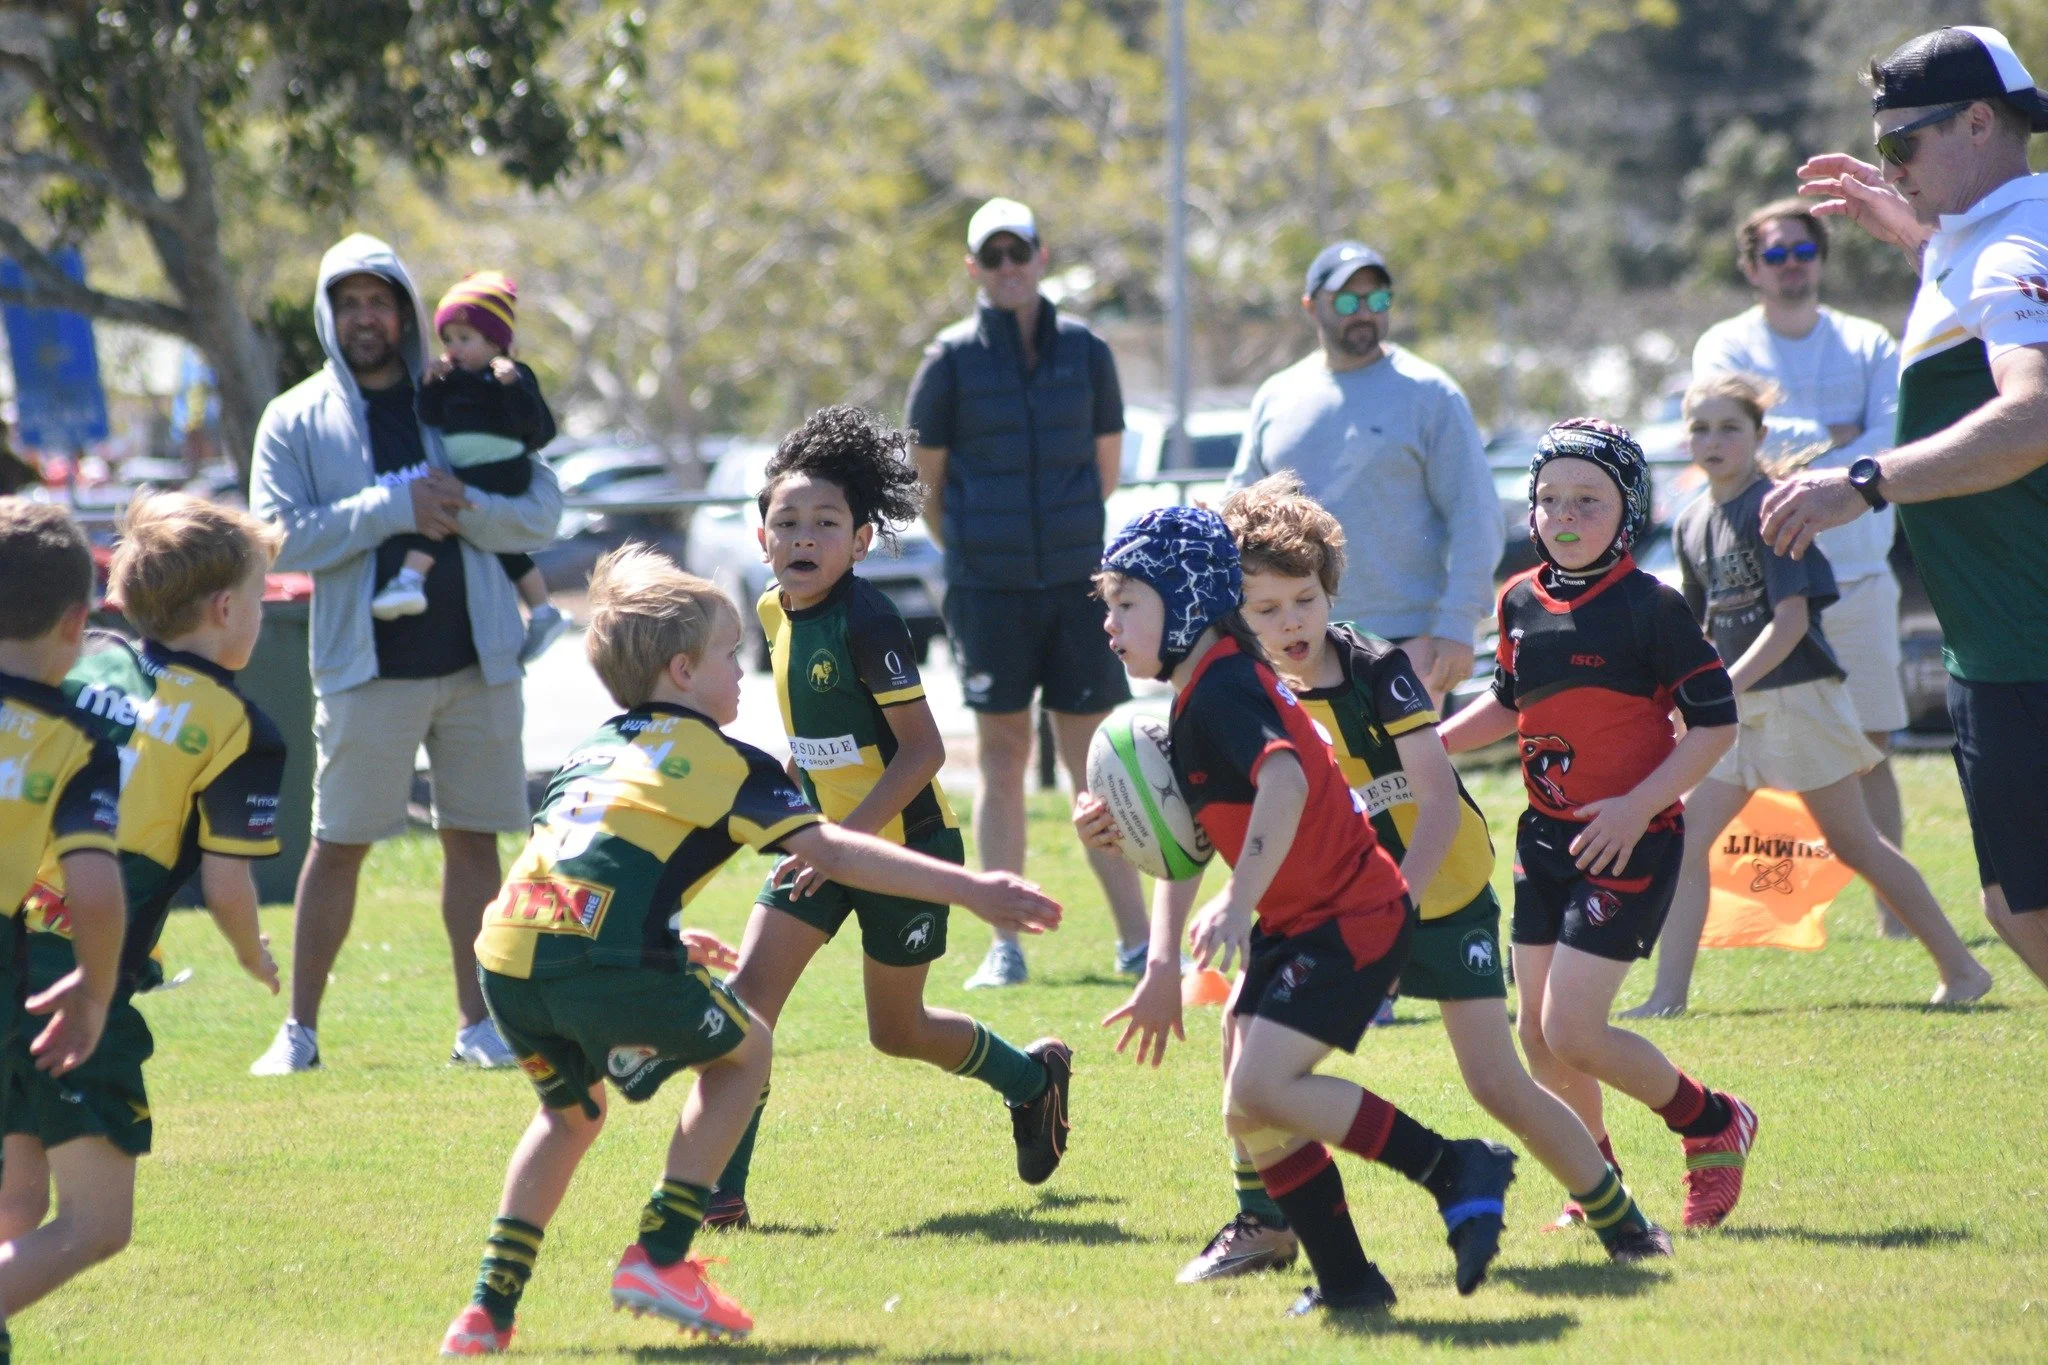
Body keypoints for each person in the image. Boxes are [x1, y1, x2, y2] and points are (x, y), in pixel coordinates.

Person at [437, 546, 1060, 1354]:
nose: (744, 671)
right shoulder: (727, 762)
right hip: (601, 958)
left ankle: (486, 1310)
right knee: (744, 1053)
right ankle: (662, 1255)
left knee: (569, 1116)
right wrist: (971, 889)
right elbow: (832, 850)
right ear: (684, 669)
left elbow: (584, 854)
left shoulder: (590, 750)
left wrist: (652, 932)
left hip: (510, 957)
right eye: (733, 655)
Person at [1153, 474, 1668, 1287]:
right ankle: (1265, 1221)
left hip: (1441, 892)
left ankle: (1622, 1221)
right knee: (1240, 1043)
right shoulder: (1238, 693)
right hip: (1324, 907)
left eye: (1305, 600)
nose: (1290, 623)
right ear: (1233, 615)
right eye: (1266, 609)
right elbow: (1218, 819)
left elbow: (1433, 798)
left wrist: (1397, 903)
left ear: (1331, 593)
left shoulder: (1375, 669)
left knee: (1497, 1082)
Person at [1076, 506, 1518, 1318]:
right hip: (1300, 921)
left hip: (1348, 915)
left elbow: (1281, 781)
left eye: (1125, 602)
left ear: (1183, 597)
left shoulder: (1222, 691)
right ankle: (1351, 1280)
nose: (1109, 624)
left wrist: (1237, 902)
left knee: (1264, 1082)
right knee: (1248, 1105)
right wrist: (1113, 825)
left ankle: (1455, 1166)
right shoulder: (1199, 694)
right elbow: (1202, 829)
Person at [697, 407, 1073, 1232]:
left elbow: (924, 752)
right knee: (745, 1001)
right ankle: (721, 1191)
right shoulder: (770, 611)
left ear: (861, 540)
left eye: (825, 523)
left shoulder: (868, 622)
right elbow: (814, 734)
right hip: (827, 842)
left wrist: (846, 843)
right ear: (761, 538)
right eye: (786, 522)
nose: (803, 536)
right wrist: (796, 820)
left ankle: (1033, 1080)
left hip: (903, 845)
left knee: (896, 1031)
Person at [1765, 25, 2048, 992]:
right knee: (2016, 906)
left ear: (1979, 121)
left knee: (2025, 907)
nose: (1891, 163)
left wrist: (1864, 480)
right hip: (2001, 646)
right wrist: (1917, 232)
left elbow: (2034, 413)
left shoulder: (2014, 243)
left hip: (2035, 645)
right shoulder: (1977, 242)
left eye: (1902, 144)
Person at [249, 233, 564, 1075]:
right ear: (328, 314)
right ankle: (299, 1031)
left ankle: (479, 1025)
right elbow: (276, 539)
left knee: (475, 840)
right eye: (347, 302)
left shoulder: (457, 388)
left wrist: (454, 511)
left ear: (405, 312)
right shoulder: (293, 417)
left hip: (479, 661)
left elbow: (538, 513)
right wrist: (394, 506)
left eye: (378, 300)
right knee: (339, 840)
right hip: (365, 668)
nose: (364, 317)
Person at [1439, 420, 1760, 1232]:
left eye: (1588, 499)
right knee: (1539, 1040)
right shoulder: (1518, 600)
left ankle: (1712, 1120)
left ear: (1629, 511)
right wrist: (1432, 743)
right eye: (1549, 499)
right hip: (1544, 841)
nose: (1564, 514)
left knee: (1573, 1029)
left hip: (1631, 837)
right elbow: (1511, 704)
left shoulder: (1653, 608)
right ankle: (1596, 1176)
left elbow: (1717, 727)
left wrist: (1638, 804)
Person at [0, 494, 288, 1343]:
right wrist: (251, 953)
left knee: (18, 1192)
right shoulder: (239, 726)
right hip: (77, 975)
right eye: (264, 597)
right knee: (98, 1223)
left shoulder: (82, 666)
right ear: (227, 608)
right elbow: (230, 889)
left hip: (12, 946)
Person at [1623, 377, 1991, 1017]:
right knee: (1683, 840)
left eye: (1730, 428)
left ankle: (1962, 970)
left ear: (1759, 437)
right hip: (1736, 711)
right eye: (1701, 429)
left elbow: (1791, 622)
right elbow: (1700, 624)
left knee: (1856, 844)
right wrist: (1688, 694)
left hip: (1798, 697)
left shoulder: (1774, 505)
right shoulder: (1691, 521)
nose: (1714, 441)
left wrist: (1719, 688)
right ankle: (1667, 997)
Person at [906, 196, 1148, 989]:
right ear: (974, 267)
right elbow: (926, 485)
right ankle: (1004, 946)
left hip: (1080, 585)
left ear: (1043, 258)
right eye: (994, 255)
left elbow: (1105, 469)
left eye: (1022, 252)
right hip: (989, 589)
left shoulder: (1088, 350)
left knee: (1097, 763)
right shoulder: (946, 360)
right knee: (1003, 757)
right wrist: (979, 551)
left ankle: (1137, 943)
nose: (1010, 267)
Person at [1692, 200, 1916, 937]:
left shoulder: (1866, 340)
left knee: (1871, 744)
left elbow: (1897, 432)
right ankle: (1771, 909)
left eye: (1803, 252)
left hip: (1856, 576)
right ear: (1751, 267)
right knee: (1752, 755)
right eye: (1776, 254)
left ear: (1820, 260)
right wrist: (1838, 435)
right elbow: (1724, 437)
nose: (1792, 266)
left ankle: (1893, 919)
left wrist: (1818, 438)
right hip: (1763, 595)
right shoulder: (1724, 342)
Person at [1227, 240, 1499, 707]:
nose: (1365, 314)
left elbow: (1476, 518)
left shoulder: (1432, 394)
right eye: (1348, 301)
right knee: (1315, 781)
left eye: (1378, 301)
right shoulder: (1277, 396)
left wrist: (1456, 626)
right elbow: (1240, 510)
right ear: (1311, 307)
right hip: (1296, 640)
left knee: (1408, 781)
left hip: (1408, 641)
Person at [0, 500, 124, 1359]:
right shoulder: (73, 738)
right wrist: (95, 983)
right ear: (80, 622)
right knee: (94, 1224)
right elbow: (93, 884)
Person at [372, 271, 568, 666]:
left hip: (504, 469)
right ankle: (544, 611)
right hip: (472, 470)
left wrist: (512, 385)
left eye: (465, 339)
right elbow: (429, 415)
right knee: (506, 548)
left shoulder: (512, 376)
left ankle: (410, 579)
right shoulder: (452, 380)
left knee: (443, 510)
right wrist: (429, 385)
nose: (454, 349)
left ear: (495, 342)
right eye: (448, 340)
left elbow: (535, 426)